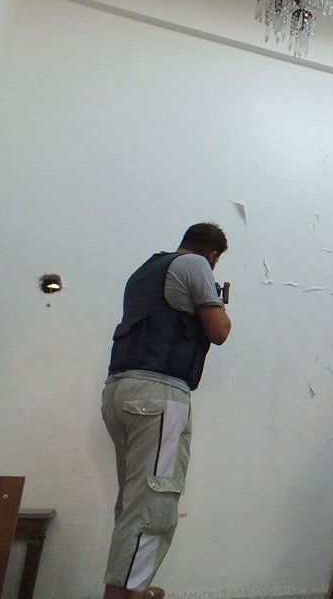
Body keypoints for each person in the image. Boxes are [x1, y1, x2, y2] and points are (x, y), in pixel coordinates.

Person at [100, 223, 232, 599]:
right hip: (158, 396)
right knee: (153, 506)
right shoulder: (196, 265)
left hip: (120, 390)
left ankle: (132, 587)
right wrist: (218, 302)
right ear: (214, 255)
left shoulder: (146, 270)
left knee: (132, 504)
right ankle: (126, 593)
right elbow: (219, 330)